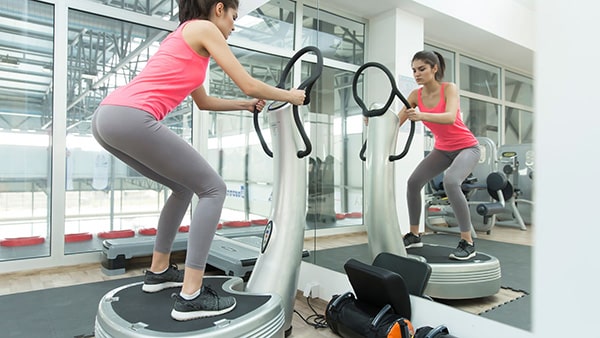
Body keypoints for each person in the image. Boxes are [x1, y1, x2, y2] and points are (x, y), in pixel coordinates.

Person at [91, 0, 306, 321]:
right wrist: (290, 95)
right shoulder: (205, 28)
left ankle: (159, 271)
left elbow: (203, 102)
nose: (233, 26)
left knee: (182, 188)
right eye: (234, 17)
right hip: (131, 116)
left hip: (107, 118)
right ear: (219, 9)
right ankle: (191, 295)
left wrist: (244, 105)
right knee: (214, 189)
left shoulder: (186, 37)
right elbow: (247, 80)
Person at [397, 50, 480, 261]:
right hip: (442, 150)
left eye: (422, 69)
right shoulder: (415, 96)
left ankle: (468, 242)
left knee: (451, 181)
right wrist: (376, 122)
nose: (417, 74)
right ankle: (415, 235)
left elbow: (451, 117)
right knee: (414, 182)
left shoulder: (448, 88)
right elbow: (396, 121)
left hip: (467, 148)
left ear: (434, 68)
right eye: (414, 70)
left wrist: (421, 114)